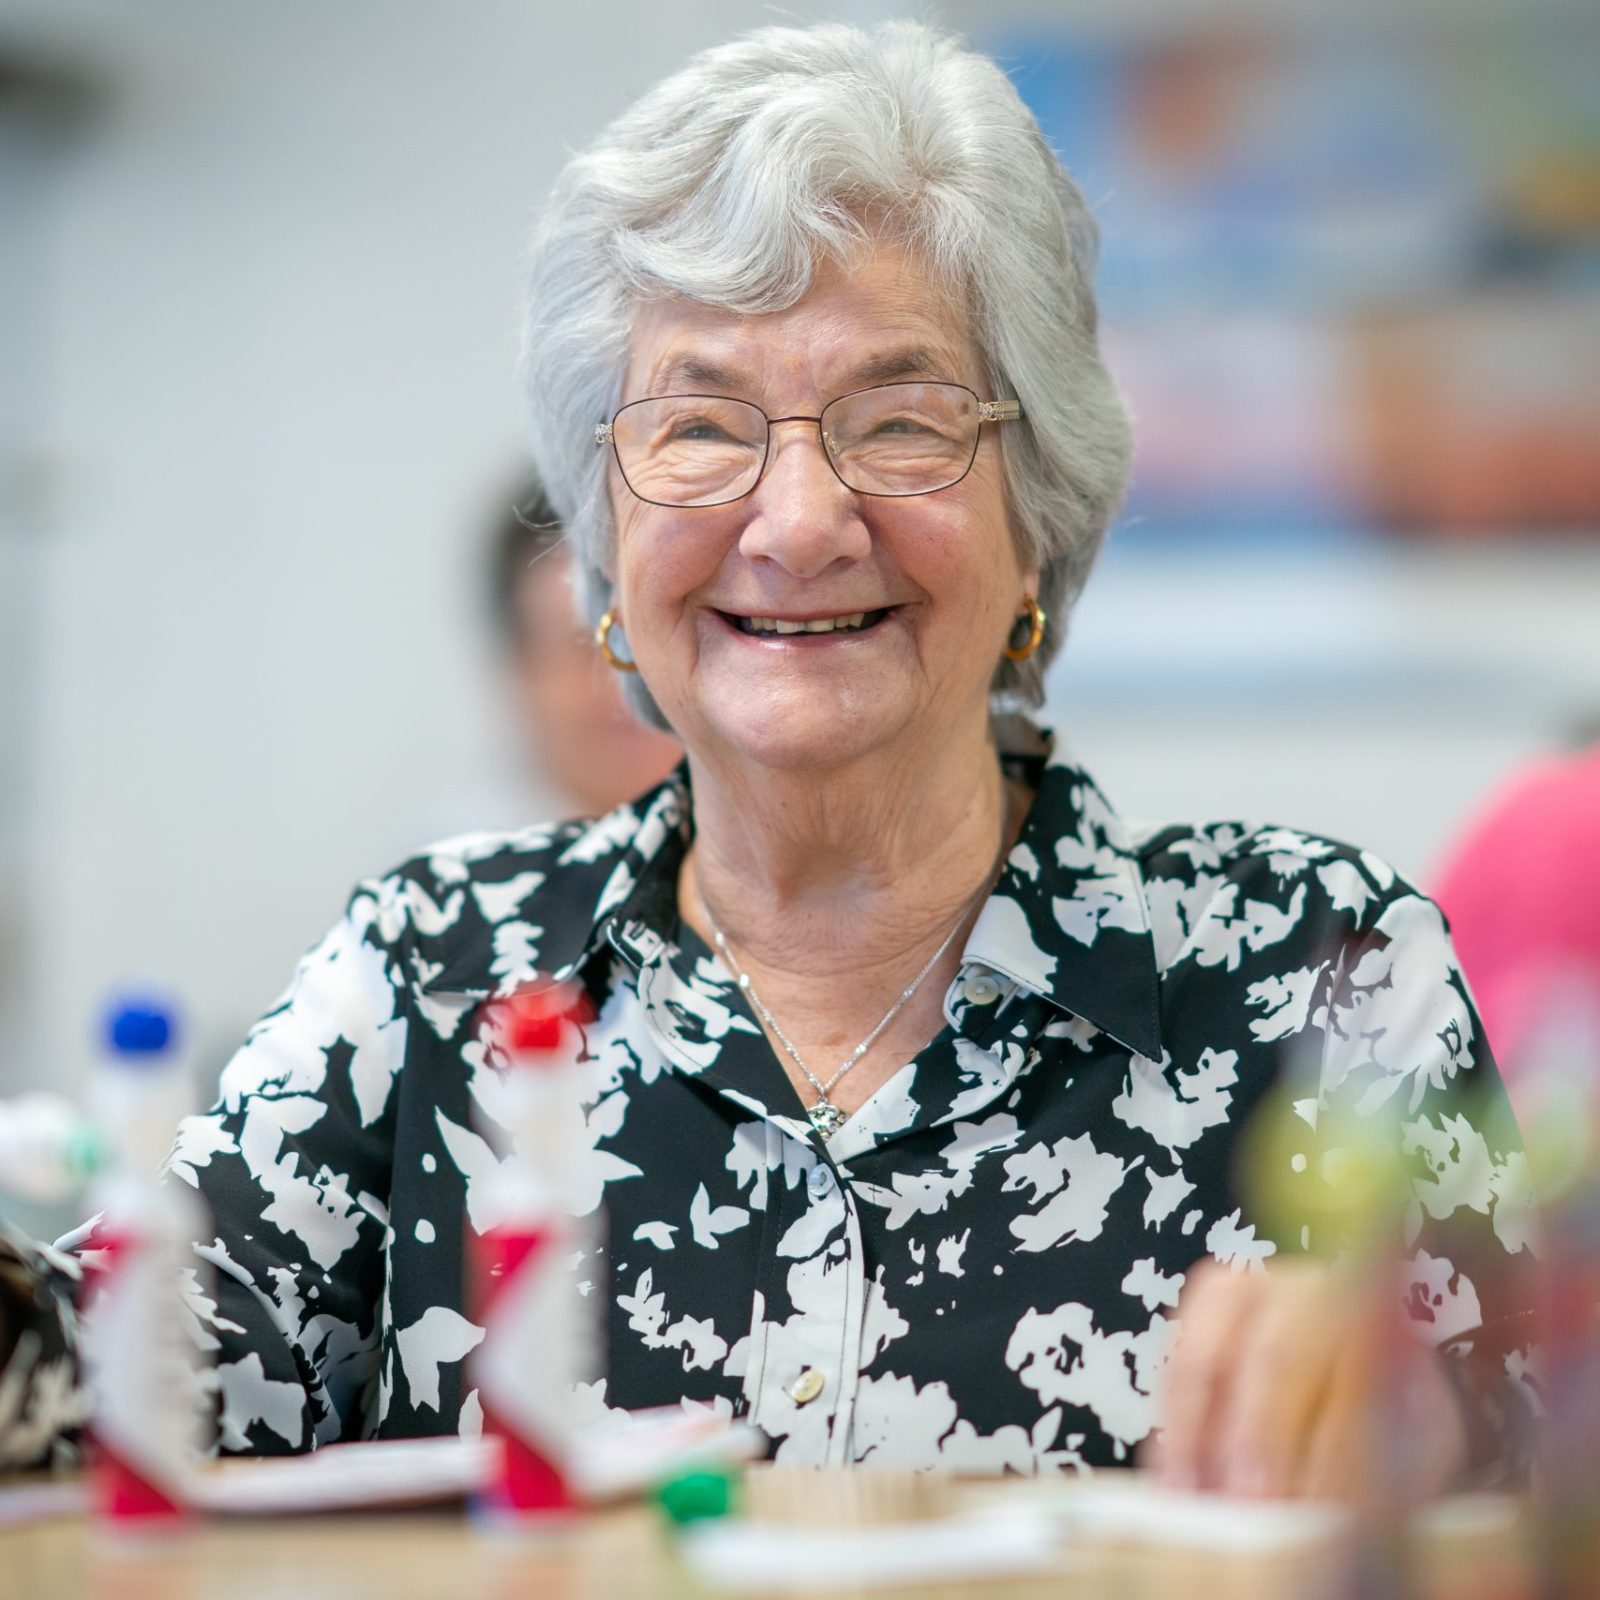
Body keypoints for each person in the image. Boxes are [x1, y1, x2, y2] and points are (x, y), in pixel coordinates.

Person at [0, 21, 1535, 1492]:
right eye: (701, 427)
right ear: (606, 551)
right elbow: (101, 1376)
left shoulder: (1322, 972)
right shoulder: (427, 972)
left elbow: (1536, 1473)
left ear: (1040, 521)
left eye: (901, 419)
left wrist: (1411, 1435)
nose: (798, 524)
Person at [487, 481, 681, 818]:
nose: (628, 684)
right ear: (522, 673)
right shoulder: (466, 864)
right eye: (588, 646)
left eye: (650, 638)